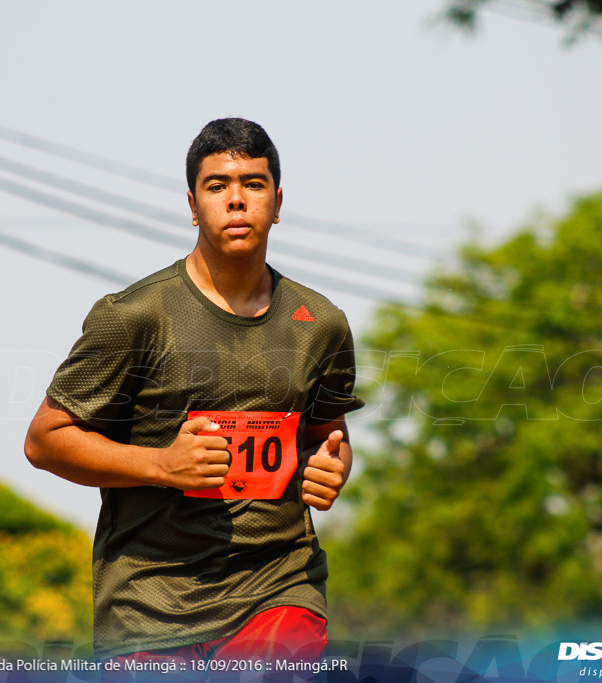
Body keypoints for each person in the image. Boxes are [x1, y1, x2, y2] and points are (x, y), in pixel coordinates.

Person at [24, 118, 365, 662]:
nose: (236, 201)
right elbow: (45, 440)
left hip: (278, 587)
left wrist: (333, 465)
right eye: (217, 186)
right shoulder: (133, 316)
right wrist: (163, 466)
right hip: (150, 603)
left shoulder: (320, 323)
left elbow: (328, 433)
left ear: (277, 203)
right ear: (192, 204)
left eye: (253, 185)